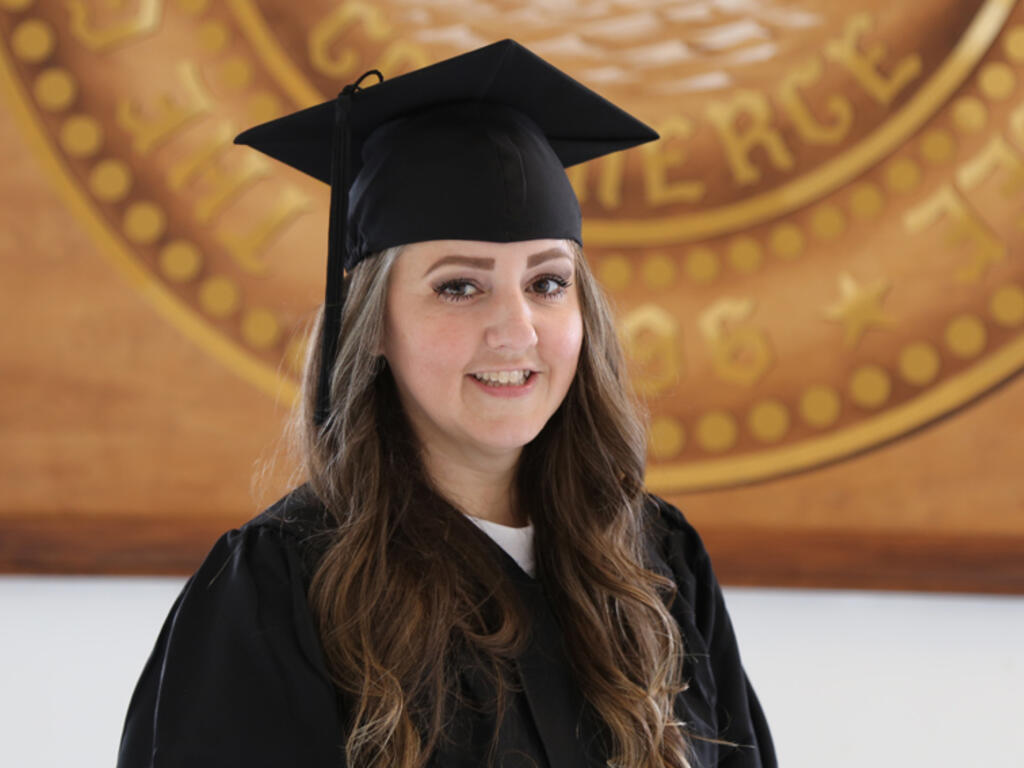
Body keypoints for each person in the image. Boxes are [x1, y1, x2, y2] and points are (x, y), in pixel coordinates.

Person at [117, 40, 776, 768]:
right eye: (458, 286)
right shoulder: (279, 596)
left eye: (548, 283)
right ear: (371, 329)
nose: (517, 330)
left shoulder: (657, 565)